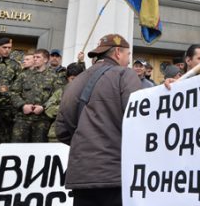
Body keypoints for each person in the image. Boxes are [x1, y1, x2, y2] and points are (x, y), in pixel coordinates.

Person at [55, 34, 141, 206]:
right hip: (114, 173)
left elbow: (61, 131)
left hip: (81, 173)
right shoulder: (125, 75)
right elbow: (138, 122)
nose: (129, 60)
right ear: (117, 52)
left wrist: (87, 141)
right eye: (128, 54)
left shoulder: (74, 82)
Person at [10, 49, 62, 142]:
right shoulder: (24, 75)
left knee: (38, 150)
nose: (35, 59)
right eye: (34, 57)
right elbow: (14, 92)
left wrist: (44, 107)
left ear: (45, 60)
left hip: (42, 120)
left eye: (38, 57)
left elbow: (57, 97)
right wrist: (22, 105)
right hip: (22, 119)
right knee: (17, 147)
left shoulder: (54, 77)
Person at [0, 37, 19, 144]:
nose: (7, 50)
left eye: (9, 48)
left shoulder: (14, 65)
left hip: (7, 106)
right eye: (4, 47)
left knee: (7, 137)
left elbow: (18, 85)